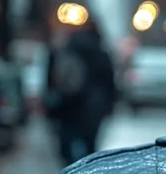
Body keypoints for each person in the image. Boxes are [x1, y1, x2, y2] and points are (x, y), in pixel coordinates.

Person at [46, 18, 116, 165]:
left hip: (67, 105)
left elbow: (52, 78)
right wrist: (110, 106)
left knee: (67, 144)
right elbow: (109, 82)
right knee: (90, 146)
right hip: (94, 107)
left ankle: (69, 171)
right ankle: (86, 171)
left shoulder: (67, 50)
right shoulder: (101, 53)